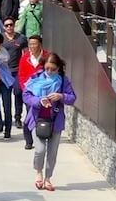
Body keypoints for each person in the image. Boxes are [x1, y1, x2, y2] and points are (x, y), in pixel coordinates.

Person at [22, 53, 77, 190]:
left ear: (59, 68)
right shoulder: (35, 78)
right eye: (47, 68)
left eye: (53, 69)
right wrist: (39, 101)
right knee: (40, 149)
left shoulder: (63, 81)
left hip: (55, 121)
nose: (50, 72)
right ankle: (38, 172)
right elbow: (26, 96)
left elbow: (72, 98)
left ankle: (48, 178)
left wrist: (61, 96)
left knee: (52, 152)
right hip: (37, 118)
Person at [17, 35, 49, 151]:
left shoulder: (48, 56)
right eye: (30, 44)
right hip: (30, 93)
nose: (32, 46)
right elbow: (21, 75)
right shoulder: (25, 58)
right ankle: (28, 140)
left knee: (43, 116)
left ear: (40, 44)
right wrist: (25, 89)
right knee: (30, 115)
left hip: (44, 92)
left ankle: (43, 136)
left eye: (34, 44)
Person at [0, 18, 27, 131]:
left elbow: (25, 53)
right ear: (4, 27)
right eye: (6, 25)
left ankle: (18, 117)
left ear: (14, 25)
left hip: (17, 70)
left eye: (11, 25)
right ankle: (6, 119)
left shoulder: (21, 38)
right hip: (4, 72)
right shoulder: (1, 38)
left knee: (18, 92)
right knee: (6, 97)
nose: (9, 27)